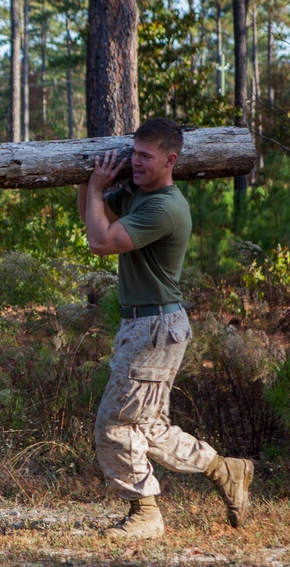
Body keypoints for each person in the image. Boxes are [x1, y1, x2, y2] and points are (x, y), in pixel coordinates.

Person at [78, 118, 254, 540]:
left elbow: (99, 241)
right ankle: (224, 469)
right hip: (148, 323)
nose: (134, 163)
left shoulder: (164, 207)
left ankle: (145, 514)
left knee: (115, 424)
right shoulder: (140, 195)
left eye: (144, 157)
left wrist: (99, 189)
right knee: (147, 427)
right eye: (132, 154)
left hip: (154, 326)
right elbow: (91, 213)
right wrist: (87, 181)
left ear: (170, 160)